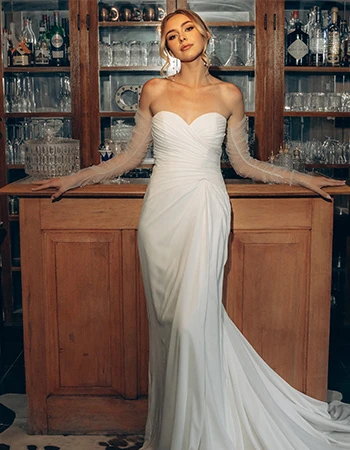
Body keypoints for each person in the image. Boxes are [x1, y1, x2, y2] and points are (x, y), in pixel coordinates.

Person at [33, 9, 350, 450]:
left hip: (205, 208)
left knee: (189, 325)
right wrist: (71, 179)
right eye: (170, 34)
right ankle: (173, 432)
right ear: (166, 46)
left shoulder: (229, 96)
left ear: (204, 33)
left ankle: (197, 434)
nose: (180, 38)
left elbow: (244, 165)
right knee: (167, 328)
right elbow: (128, 159)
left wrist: (305, 179)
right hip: (160, 216)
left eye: (186, 29)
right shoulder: (154, 90)